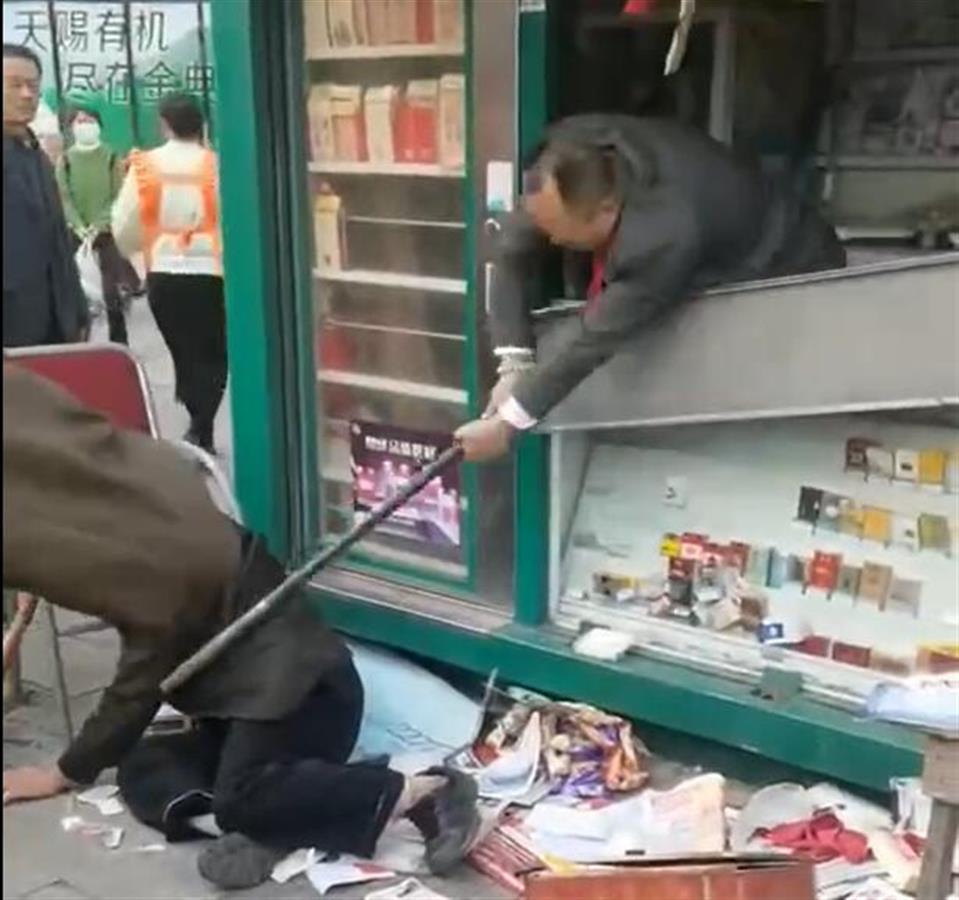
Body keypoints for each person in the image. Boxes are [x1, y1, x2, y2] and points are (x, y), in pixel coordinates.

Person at [1, 363, 479, 889]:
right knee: (141, 764)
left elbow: (138, 685)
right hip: (231, 705)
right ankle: (278, 824)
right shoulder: (123, 482)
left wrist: (62, 773)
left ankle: (422, 791)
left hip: (304, 694)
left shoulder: (153, 571)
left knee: (240, 793)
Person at [454, 114, 846, 462]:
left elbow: (593, 340)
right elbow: (515, 246)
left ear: (607, 210)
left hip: (790, 269)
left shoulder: (662, 236)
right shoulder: (567, 156)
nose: (552, 242)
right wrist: (515, 363)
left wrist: (508, 424)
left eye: (561, 235)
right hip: (714, 213)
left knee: (753, 400)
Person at [112, 93, 227, 453]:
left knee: (183, 350)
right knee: (213, 351)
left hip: (165, 271)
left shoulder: (145, 166)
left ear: (164, 124)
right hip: (212, 272)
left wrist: (136, 256)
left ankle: (198, 422)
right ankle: (203, 423)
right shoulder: (216, 165)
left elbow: (125, 223)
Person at [3, 44, 88, 348]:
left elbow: (58, 242)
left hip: (52, 325)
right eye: (15, 85)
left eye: (33, 86)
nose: (27, 94)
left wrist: (76, 311)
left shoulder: (37, 157)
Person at [56, 107, 141, 345]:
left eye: (89, 120)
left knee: (111, 292)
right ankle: (77, 342)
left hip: (106, 230)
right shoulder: (65, 160)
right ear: (71, 128)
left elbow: (118, 194)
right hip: (76, 232)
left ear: (99, 125)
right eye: (79, 121)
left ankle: (119, 343)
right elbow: (63, 197)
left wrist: (99, 224)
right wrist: (78, 225)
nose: (84, 125)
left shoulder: (111, 157)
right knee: (70, 287)